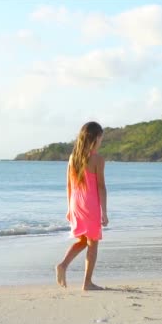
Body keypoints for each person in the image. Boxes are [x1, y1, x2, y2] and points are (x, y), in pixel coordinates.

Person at [56, 121, 109, 291]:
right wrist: (104, 212)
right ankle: (87, 283)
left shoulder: (73, 158)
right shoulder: (97, 159)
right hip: (90, 204)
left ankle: (63, 265)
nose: (101, 142)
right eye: (101, 138)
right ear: (95, 138)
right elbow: (101, 186)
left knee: (84, 240)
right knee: (93, 244)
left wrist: (69, 208)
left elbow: (68, 185)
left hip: (76, 203)